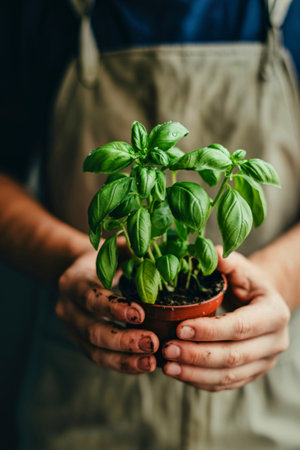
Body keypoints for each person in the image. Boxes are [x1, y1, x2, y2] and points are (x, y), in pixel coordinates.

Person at [1, 0, 300, 449]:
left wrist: (281, 277)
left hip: (266, 403)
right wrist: (70, 258)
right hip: (85, 403)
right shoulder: (37, 9)